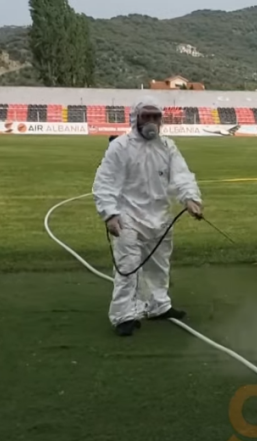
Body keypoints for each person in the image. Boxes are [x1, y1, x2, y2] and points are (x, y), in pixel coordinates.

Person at [93, 96, 203, 336]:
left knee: (159, 265)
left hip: (160, 216)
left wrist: (190, 199)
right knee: (128, 267)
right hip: (127, 216)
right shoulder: (120, 146)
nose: (152, 121)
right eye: (147, 116)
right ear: (136, 118)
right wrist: (109, 213)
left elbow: (182, 175)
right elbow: (105, 182)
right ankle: (124, 315)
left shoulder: (167, 147)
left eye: (156, 117)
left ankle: (158, 306)